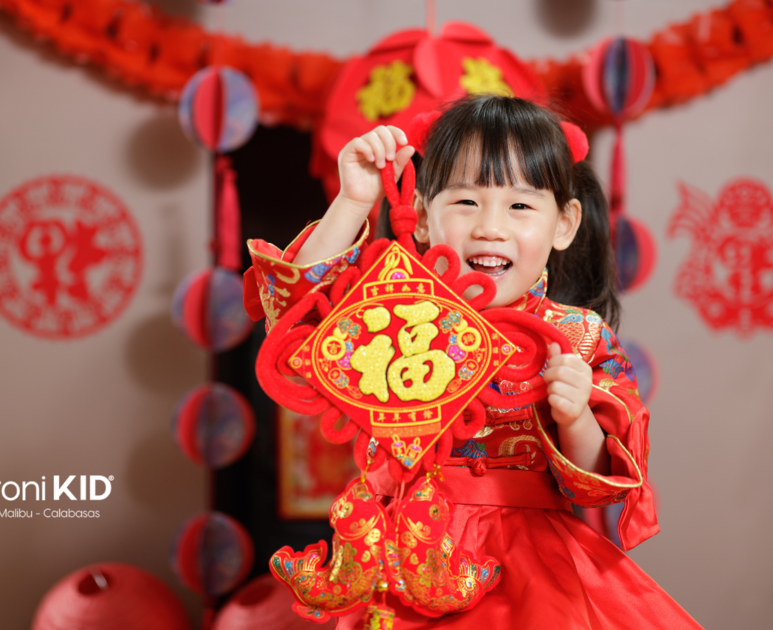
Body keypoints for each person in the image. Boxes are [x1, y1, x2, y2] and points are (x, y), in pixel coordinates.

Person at [244, 95, 701, 629]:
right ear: (420, 219)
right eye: (465, 202)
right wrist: (351, 200)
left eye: (520, 206)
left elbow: (599, 482)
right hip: (398, 558)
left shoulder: (578, 337)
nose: (490, 226)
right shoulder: (393, 313)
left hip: (530, 567)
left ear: (564, 224)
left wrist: (576, 417)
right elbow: (296, 327)